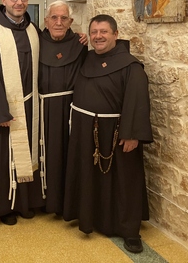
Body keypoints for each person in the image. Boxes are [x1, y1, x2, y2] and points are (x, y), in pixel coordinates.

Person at [63, 14, 153, 253]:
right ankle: (91, 219)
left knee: (124, 181)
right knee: (90, 177)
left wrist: (132, 134)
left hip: (117, 133)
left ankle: (129, 230)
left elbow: (137, 101)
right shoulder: (87, 58)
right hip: (86, 130)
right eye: (94, 32)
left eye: (103, 32)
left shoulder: (130, 66)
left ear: (115, 34)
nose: (98, 36)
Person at [0, 0, 44, 225]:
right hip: (6, 109)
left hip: (31, 105)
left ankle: (27, 203)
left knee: (30, 152)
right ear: (3, 0)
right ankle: (7, 206)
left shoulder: (33, 29)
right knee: (6, 157)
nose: (19, 2)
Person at [38, 0, 88, 215]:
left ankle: (68, 202)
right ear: (46, 20)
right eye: (54, 18)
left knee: (68, 154)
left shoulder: (80, 44)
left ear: (71, 21)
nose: (59, 22)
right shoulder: (34, 41)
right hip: (41, 109)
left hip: (70, 108)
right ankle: (41, 199)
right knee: (42, 153)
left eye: (64, 18)